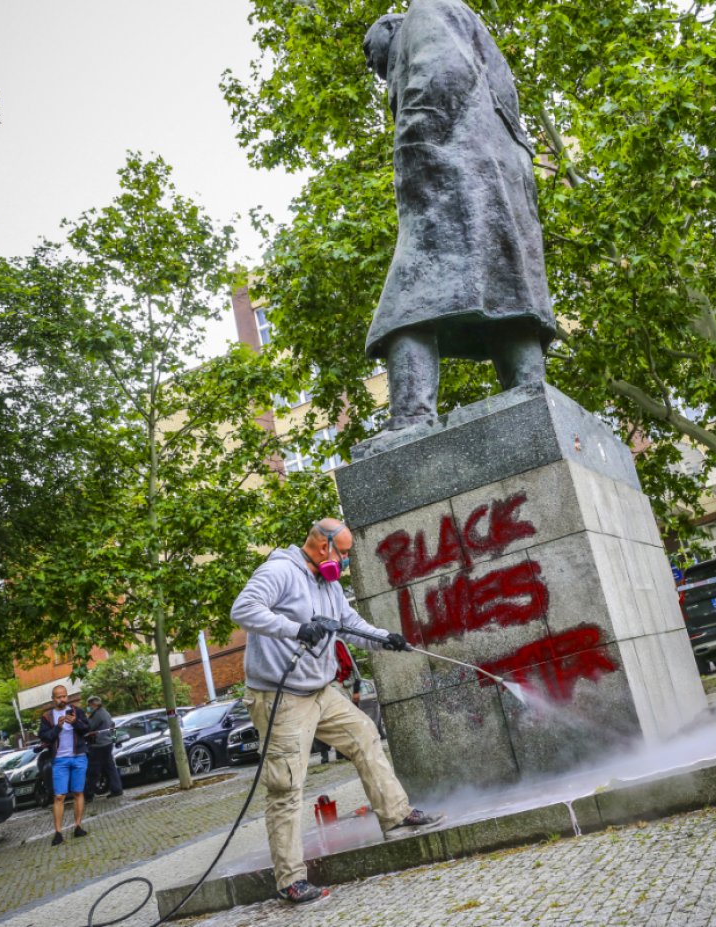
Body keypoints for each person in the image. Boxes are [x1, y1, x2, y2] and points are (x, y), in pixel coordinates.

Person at [362, 2, 558, 434]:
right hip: (498, 179)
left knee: (406, 303)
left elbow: (440, 76)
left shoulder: (423, 12)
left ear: (391, 26)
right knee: (508, 291)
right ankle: (531, 392)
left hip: (451, 174)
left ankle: (411, 418)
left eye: (369, 45)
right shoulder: (462, 19)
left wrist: (411, 146)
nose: (369, 59)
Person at [230, 518, 443, 905]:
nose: (345, 561)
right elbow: (243, 610)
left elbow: (349, 624)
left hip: (320, 691)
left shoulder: (328, 583)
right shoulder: (279, 570)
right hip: (282, 698)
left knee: (363, 734)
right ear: (322, 545)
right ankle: (290, 880)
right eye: (343, 553)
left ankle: (396, 814)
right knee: (286, 786)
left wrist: (386, 640)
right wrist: (295, 629)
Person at [37, 685, 91, 846]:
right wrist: (58, 727)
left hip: (79, 756)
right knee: (59, 796)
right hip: (60, 759)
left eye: (64, 696)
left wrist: (75, 723)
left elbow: (87, 729)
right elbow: (45, 737)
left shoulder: (76, 711)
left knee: (78, 792)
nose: (62, 699)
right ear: (53, 699)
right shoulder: (47, 717)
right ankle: (58, 832)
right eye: (59, 697)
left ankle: (78, 826)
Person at [84, 695, 123, 798]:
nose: (88, 707)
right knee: (110, 767)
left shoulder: (97, 715)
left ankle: (88, 793)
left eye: (89, 705)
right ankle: (116, 789)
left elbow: (89, 727)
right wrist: (114, 740)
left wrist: (87, 717)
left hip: (98, 745)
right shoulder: (106, 713)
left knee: (93, 769)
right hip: (107, 744)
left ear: (94, 704)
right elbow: (113, 726)